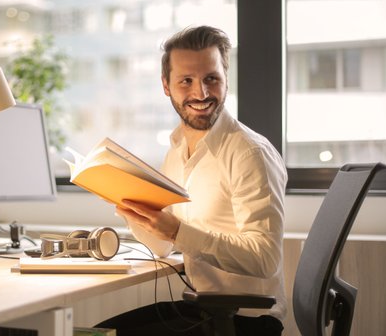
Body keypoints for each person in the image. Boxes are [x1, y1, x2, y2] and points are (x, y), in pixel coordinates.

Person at [95, 25, 287, 336]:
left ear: (225, 79)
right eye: (186, 81)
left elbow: (264, 259)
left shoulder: (249, 152)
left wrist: (177, 230)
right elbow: (160, 246)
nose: (201, 93)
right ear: (166, 86)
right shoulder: (176, 151)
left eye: (211, 79)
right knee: (94, 333)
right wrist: (128, 205)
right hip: (205, 310)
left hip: (248, 321)